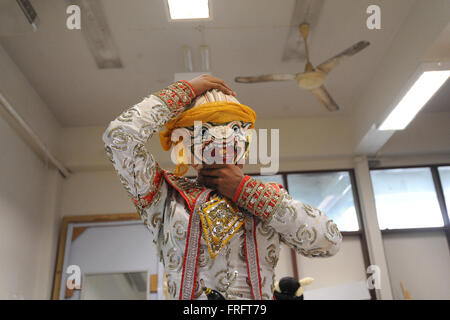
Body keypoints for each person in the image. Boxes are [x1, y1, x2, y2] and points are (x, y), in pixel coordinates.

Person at [102, 74, 342, 300]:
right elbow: (119, 136)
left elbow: (329, 242)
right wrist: (184, 91)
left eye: (235, 128)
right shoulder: (165, 196)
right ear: (184, 141)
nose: (224, 136)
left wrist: (245, 191)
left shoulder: (268, 200)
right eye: (205, 129)